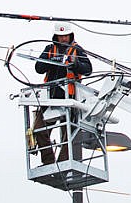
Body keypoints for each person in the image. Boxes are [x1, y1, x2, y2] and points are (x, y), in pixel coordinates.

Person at [32, 22, 93, 164]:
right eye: (60, 36)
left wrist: (75, 64)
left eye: (65, 36)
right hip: (50, 96)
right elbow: (39, 67)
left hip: (70, 97)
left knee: (69, 134)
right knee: (39, 129)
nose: (63, 39)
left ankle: (63, 164)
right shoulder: (49, 49)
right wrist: (51, 61)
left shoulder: (77, 50)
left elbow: (88, 69)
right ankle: (49, 162)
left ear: (70, 35)